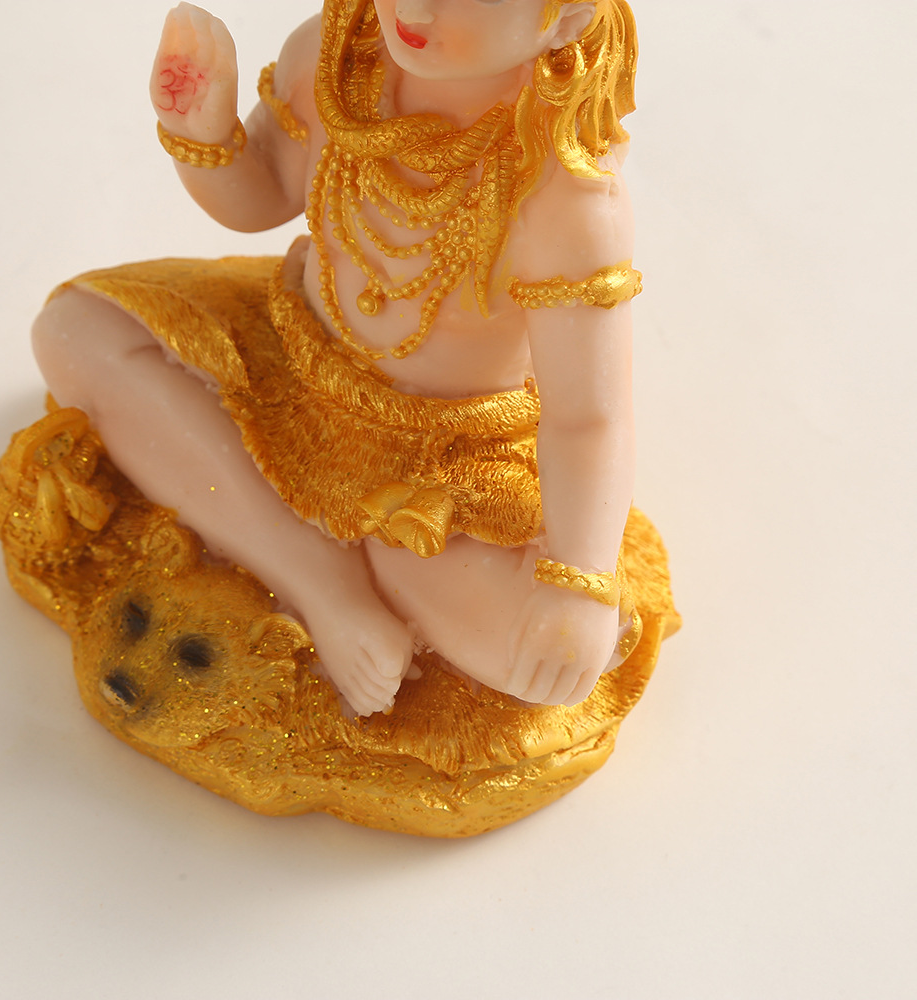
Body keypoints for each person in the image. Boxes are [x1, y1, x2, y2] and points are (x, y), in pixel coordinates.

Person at [32, 0, 643, 717]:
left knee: (525, 657)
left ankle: (373, 561)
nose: (415, 9)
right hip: (288, 359)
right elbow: (264, 191)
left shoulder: (565, 195)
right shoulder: (340, 57)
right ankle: (325, 585)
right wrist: (202, 134)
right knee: (77, 330)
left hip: (439, 456)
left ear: (566, 18)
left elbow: (586, 418)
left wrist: (581, 586)